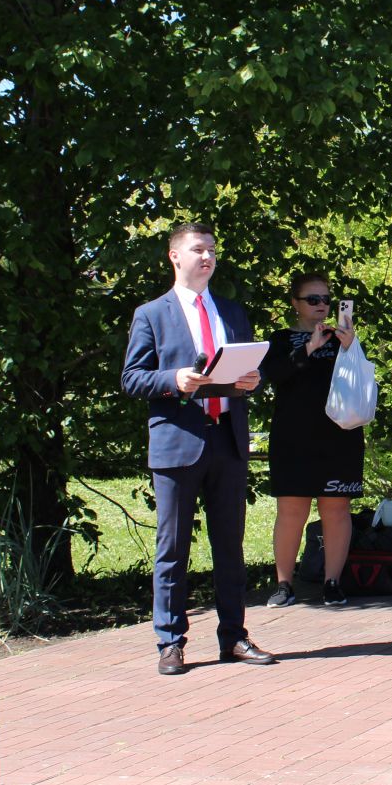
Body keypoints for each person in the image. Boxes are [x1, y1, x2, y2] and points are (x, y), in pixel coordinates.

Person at [120, 222, 275, 675]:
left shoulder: (231, 311)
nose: (206, 257)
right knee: (172, 548)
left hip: (227, 439)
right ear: (174, 257)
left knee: (230, 544)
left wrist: (252, 380)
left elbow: (244, 369)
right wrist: (172, 380)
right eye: (197, 249)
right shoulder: (152, 314)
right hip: (178, 443)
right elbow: (132, 378)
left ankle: (234, 637)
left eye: (211, 249)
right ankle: (170, 642)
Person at [261, 271, 366, 608]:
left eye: (326, 299)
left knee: (336, 510)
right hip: (293, 436)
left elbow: (362, 378)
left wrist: (350, 344)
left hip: (339, 437)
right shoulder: (279, 340)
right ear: (296, 303)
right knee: (291, 510)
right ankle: (283, 584)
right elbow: (274, 375)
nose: (322, 305)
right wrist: (310, 347)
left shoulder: (343, 338)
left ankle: (332, 582)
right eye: (313, 299)